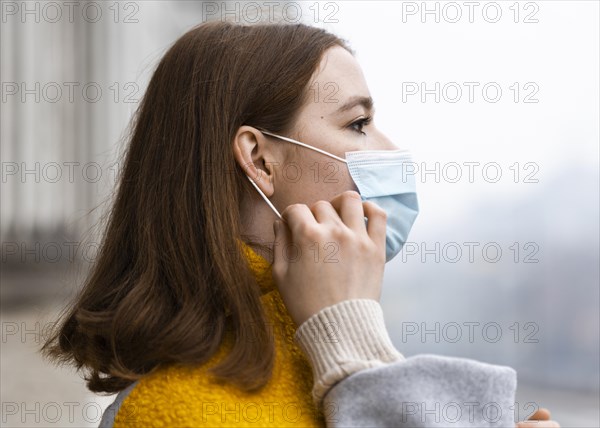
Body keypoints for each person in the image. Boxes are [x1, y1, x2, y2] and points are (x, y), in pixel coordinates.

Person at [41, 19, 560, 428]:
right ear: (260, 160)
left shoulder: (310, 351)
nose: (392, 151)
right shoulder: (176, 412)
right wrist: (352, 340)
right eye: (358, 124)